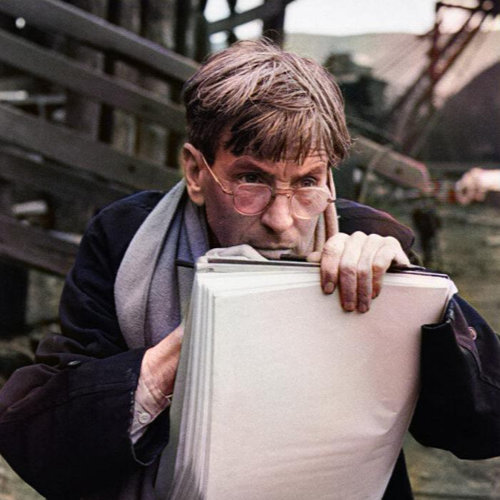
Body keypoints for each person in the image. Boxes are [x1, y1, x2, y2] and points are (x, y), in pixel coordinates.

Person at [0, 39, 499, 500]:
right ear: (197, 172)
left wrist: (416, 308)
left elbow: (482, 428)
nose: (282, 222)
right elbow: (41, 443)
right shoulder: (127, 240)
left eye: (307, 182)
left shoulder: (371, 242)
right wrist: (188, 350)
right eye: (251, 180)